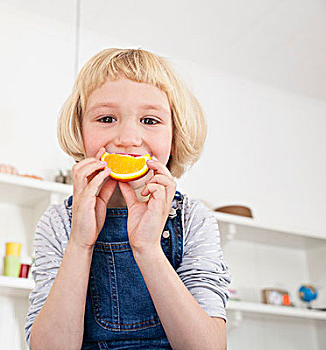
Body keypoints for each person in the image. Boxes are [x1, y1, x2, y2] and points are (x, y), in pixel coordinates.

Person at [25, 48, 231, 349]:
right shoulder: (58, 223)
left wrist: (147, 247)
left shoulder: (192, 219)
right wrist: (80, 244)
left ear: (175, 136)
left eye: (149, 120)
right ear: (80, 132)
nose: (128, 138)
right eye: (107, 118)